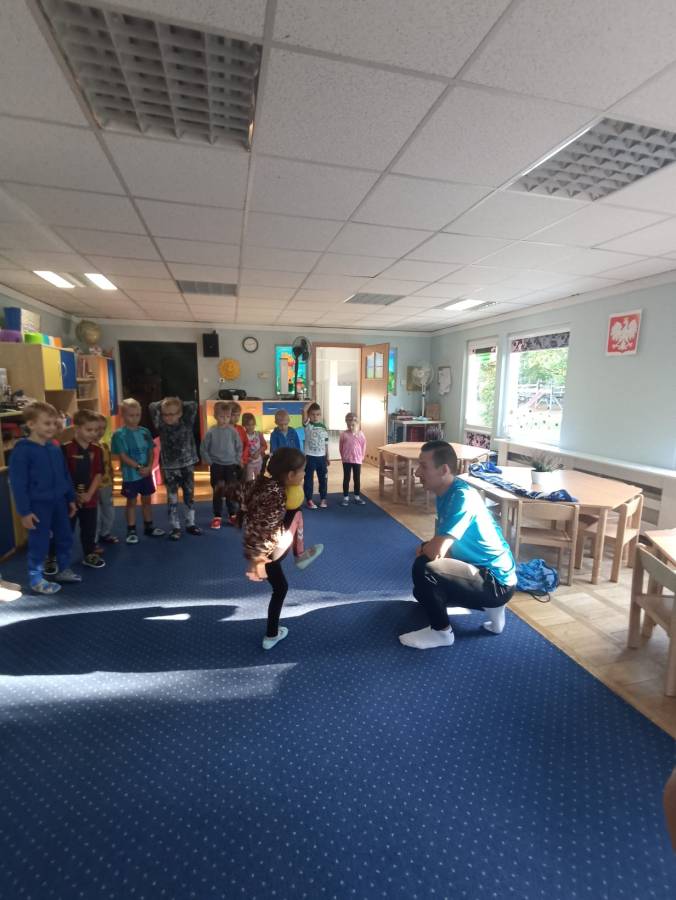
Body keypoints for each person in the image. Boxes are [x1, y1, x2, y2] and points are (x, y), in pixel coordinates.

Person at [399, 440, 517, 650]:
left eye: (423, 466)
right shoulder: (446, 492)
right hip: (492, 574)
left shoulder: (461, 497)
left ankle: (442, 633)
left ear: (444, 470)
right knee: (421, 592)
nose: (417, 472)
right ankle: (494, 610)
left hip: (496, 583)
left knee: (424, 567)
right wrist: (429, 547)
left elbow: (436, 552)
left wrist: (427, 549)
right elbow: (442, 545)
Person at [239, 447, 323, 650]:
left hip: (258, 548)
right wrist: (258, 559)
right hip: (271, 551)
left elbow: (240, 494)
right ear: (290, 475)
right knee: (297, 514)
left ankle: (272, 634)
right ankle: (299, 555)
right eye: (302, 471)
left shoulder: (261, 483)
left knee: (280, 588)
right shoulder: (277, 495)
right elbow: (265, 528)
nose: (305, 474)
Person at [8, 401, 80, 594]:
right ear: (31, 424)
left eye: (54, 423)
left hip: (59, 502)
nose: (52, 427)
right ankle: (36, 578)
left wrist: (70, 498)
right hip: (38, 505)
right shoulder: (22, 450)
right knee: (39, 541)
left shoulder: (54, 448)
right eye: (47, 423)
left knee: (65, 536)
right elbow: (18, 484)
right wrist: (24, 512)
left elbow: (65, 474)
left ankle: (63, 569)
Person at [111, 397, 165, 544]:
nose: (134, 418)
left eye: (137, 415)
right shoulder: (119, 435)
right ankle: (131, 529)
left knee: (147, 500)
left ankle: (149, 526)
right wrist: (139, 467)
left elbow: (151, 451)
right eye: (131, 415)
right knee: (131, 502)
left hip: (146, 474)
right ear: (123, 415)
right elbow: (123, 456)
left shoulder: (145, 432)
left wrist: (149, 467)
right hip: (131, 476)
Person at [149, 396, 202, 540]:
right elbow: (152, 406)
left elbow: (192, 404)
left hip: (187, 465)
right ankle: (175, 527)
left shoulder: (187, 422)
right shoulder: (160, 424)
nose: (168, 417)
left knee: (189, 496)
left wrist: (177, 403)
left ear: (180, 413)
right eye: (165, 414)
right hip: (170, 468)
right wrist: (165, 403)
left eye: (172, 414)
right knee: (172, 498)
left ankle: (190, 523)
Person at [61, 409, 106, 570]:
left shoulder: (97, 450)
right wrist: (73, 495)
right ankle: (56, 556)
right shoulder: (65, 449)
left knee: (89, 529)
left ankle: (89, 554)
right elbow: (62, 475)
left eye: (96, 430)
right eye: (89, 430)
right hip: (69, 500)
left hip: (90, 499)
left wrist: (89, 494)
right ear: (77, 428)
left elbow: (99, 473)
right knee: (65, 529)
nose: (93, 433)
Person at [200, 400, 242, 529]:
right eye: (222, 416)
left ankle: (232, 514)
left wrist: (236, 460)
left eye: (228, 417)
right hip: (216, 465)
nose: (225, 419)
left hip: (231, 465)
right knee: (218, 491)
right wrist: (210, 462)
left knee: (231, 491)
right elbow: (203, 448)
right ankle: (217, 516)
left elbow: (239, 446)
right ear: (215, 416)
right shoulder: (211, 432)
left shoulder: (233, 431)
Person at [94, 413, 119, 547]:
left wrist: (112, 480)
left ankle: (105, 532)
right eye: (97, 428)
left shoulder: (104, 446)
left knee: (108, 508)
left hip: (106, 484)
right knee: (95, 513)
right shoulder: (87, 448)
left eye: (103, 428)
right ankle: (94, 538)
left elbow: (109, 465)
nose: (100, 432)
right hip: (92, 486)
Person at [303, 402, 330, 509]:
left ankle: (323, 498)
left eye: (318, 414)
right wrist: (310, 404)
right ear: (309, 415)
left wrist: (327, 456)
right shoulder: (308, 426)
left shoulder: (323, 427)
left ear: (320, 415)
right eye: (313, 414)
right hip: (310, 457)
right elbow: (304, 411)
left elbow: (326, 443)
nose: (315, 417)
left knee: (323, 479)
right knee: (308, 479)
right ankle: (309, 500)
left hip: (322, 457)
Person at [339, 412, 367, 507]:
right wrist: (343, 457)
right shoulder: (344, 434)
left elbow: (363, 446)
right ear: (346, 423)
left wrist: (362, 457)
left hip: (357, 460)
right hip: (346, 460)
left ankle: (357, 496)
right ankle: (345, 497)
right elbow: (341, 447)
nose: (351, 426)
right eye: (349, 424)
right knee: (346, 478)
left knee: (357, 478)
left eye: (353, 424)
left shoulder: (361, 434)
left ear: (357, 423)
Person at [242, 412, 268, 482]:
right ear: (244, 425)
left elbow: (265, 446)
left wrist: (258, 452)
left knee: (258, 480)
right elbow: (241, 450)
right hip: (249, 463)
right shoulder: (243, 436)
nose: (251, 427)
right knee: (248, 480)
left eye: (252, 424)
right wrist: (247, 458)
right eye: (248, 425)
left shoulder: (258, 434)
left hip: (259, 461)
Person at [229, 402, 250, 476]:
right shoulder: (224, 430)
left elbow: (247, 444)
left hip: (243, 461)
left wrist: (243, 457)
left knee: (243, 479)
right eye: (233, 415)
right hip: (230, 463)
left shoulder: (240, 428)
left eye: (238, 415)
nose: (236, 417)